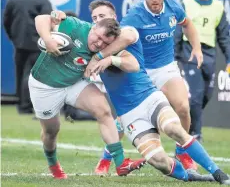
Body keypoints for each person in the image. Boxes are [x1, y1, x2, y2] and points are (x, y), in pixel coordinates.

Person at [86, 0, 230, 184]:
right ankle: (191, 177)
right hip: (129, 112)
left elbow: (131, 59)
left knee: (177, 118)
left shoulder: (126, 32)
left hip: (149, 94)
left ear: (115, 18)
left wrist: (105, 58)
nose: (99, 20)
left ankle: (215, 170)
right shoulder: (90, 39)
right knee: (157, 160)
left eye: (103, 16)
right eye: (95, 18)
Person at [29, 12, 145, 179]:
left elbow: (134, 65)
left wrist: (111, 59)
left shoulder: (107, 46)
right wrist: (48, 39)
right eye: (97, 38)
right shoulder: (75, 26)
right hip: (45, 86)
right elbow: (40, 18)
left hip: (74, 83)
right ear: (94, 27)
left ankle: (121, 164)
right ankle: (53, 164)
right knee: (51, 131)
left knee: (103, 110)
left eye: (105, 43)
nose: (99, 44)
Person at [175, 0, 230, 141]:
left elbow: (223, 37)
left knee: (207, 95)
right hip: (190, 53)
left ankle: (185, 122)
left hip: (209, 54)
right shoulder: (187, 4)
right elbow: (177, 32)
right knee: (195, 95)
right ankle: (195, 135)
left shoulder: (218, 6)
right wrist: (174, 57)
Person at [3, 0, 52, 114]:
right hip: (37, 43)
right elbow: (47, 21)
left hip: (18, 44)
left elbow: (6, 20)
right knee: (32, 75)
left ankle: (21, 103)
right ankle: (28, 106)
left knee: (20, 73)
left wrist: (14, 38)